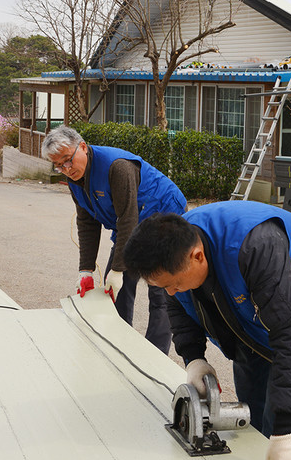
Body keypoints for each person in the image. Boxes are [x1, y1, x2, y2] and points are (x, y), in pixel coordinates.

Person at [123, 200, 291, 460]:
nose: (169, 292)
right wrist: (194, 359)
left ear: (197, 256)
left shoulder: (256, 246)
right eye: (162, 286)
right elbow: (178, 305)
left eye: (174, 284)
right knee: (253, 387)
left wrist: (285, 432)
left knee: (285, 405)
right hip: (258, 285)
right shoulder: (174, 253)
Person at [41, 125, 187, 354]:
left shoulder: (117, 167)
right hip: (131, 224)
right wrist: (86, 271)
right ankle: (119, 347)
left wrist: (118, 269)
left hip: (164, 217)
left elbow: (128, 218)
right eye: (58, 165)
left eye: (68, 160)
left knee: (160, 289)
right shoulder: (74, 179)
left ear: (83, 147)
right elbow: (87, 223)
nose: (66, 169)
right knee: (116, 290)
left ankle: (154, 355)